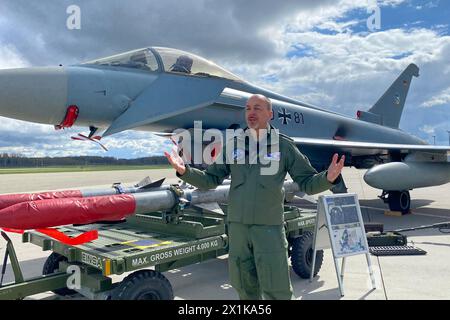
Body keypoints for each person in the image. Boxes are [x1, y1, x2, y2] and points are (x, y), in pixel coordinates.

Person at [165, 94, 345, 300]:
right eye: (248, 108)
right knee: (243, 285)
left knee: (276, 288)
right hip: (238, 228)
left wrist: (328, 178)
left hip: (268, 228)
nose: (251, 112)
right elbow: (210, 179)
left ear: (270, 114)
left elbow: (307, 182)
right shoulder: (234, 145)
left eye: (257, 108)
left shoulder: (283, 146)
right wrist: (184, 171)